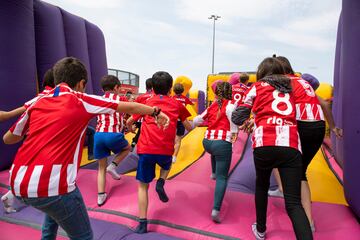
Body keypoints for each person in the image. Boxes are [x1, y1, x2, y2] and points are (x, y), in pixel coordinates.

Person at [2, 57, 169, 240]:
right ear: (81, 83)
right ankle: (112, 169)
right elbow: (128, 105)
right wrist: (156, 112)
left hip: (17, 183)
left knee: (53, 214)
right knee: (83, 236)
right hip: (54, 187)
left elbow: (8, 139)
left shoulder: (37, 102)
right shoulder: (80, 98)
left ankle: (99, 192)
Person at [232, 57, 313, 240]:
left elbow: (238, 117)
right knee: (293, 203)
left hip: (265, 144)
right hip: (290, 144)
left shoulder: (257, 87)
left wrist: (254, 116)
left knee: (262, 186)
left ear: (261, 73)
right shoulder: (292, 88)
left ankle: (260, 229)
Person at [267, 56, 343, 231]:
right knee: (300, 171)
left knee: (281, 158)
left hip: (302, 126)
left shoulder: (282, 83)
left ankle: (303, 216)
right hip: (317, 127)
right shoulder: (304, 82)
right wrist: (332, 127)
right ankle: (307, 219)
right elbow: (324, 103)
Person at [126, 71, 192, 234]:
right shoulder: (177, 104)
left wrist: (130, 128)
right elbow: (189, 127)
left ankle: (142, 223)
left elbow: (129, 121)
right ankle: (161, 180)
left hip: (146, 148)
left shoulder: (147, 101)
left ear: (152, 88)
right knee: (166, 164)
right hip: (165, 149)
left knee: (143, 187)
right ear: (170, 88)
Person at [0, 68, 56, 213]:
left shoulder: (42, 96)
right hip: (42, 140)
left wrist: (8, 115)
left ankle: (11, 195)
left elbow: (24, 110)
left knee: (30, 169)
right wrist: (8, 115)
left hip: (35, 139)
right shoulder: (51, 95)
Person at [193, 81, 238, 223]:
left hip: (207, 142)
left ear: (216, 93)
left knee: (214, 152)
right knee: (222, 178)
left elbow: (196, 120)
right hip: (221, 143)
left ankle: (213, 172)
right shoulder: (231, 106)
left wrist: (199, 125)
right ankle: (216, 210)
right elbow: (233, 123)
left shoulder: (211, 106)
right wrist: (234, 134)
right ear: (229, 92)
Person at [94, 75, 132, 206]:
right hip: (113, 134)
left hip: (98, 135)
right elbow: (130, 111)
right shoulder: (121, 99)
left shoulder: (98, 99)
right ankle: (113, 165)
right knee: (127, 148)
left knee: (101, 168)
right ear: (116, 87)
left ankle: (100, 195)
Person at [172, 83, 194, 163]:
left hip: (173, 120)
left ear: (174, 90)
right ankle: (174, 156)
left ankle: (168, 152)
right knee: (178, 140)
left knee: (171, 138)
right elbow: (192, 103)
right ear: (182, 91)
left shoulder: (172, 98)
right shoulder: (185, 98)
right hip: (182, 121)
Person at [130, 78, 154, 150]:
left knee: (141, 131)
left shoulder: (141, 97)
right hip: (150, 119)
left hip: (139, 118)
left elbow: (135, 108)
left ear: (146, 86)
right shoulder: (155, 96)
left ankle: (135, 141)